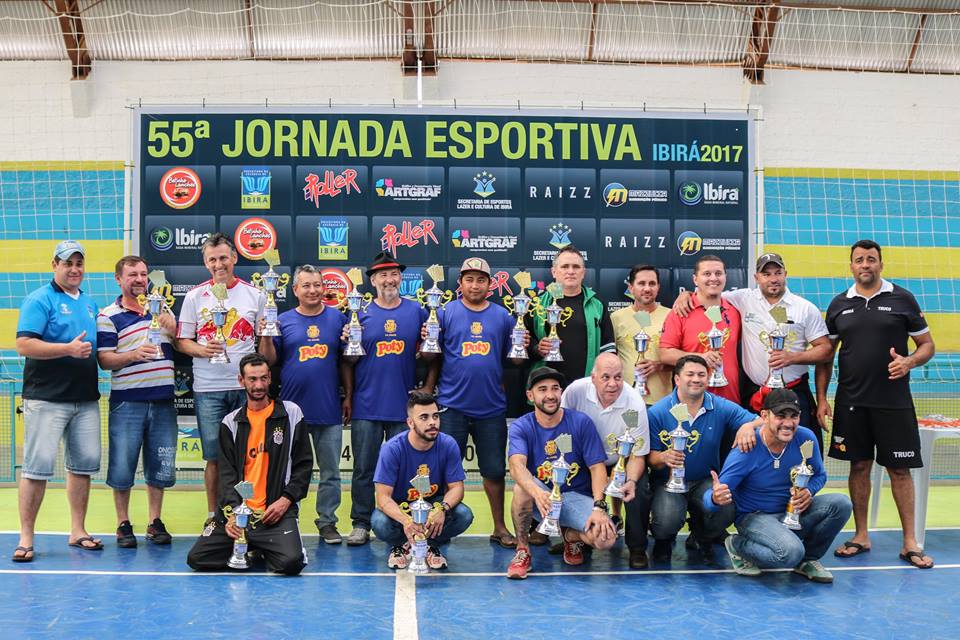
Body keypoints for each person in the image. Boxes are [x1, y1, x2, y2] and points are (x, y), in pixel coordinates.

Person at [816, 239, 935, 569]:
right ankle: (861, 534)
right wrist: (822, 398)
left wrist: (909, 362)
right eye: (859, 260)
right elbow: (826, 357)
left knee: (900, 469)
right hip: (851, 403)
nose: (865, 265)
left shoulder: (902, 299)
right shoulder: (840, 304)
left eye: (871, 259)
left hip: (894, 403)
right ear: (851, 266)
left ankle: (910, 541)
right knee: (858, 467)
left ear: (881, 264)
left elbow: (927, 345)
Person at [673, 253, 832, 447]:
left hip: (793, 391)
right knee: (753, 449)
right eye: (766, 274)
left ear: (785, 274)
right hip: (754, 393)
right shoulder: (742, 299)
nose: (773, 279)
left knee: (801, 449)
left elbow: (825, 350)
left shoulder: (805, 308)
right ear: (757, 277)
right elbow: (709, 291)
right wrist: (687, 294)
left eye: (778, 273)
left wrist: (792, 357)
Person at [427, 257, 525, 549]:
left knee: (494, 470)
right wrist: (426, 339)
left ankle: (498, 527)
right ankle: (436, 526)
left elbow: (516, 361)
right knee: (443, 471)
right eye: (469, 279)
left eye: (481, 279)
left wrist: (522, 342)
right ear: (460, 284)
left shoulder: (504, 317)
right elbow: (430, 356)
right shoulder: (445, 313)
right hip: (451, 405)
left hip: (491, 408)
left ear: (490, 285)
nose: (474, 284)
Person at [707, 389, 852, 583]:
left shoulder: (806, 438)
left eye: (794, 416)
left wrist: (809, 491)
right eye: (780, 416)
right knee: (789, 553)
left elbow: (820, 475)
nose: (788, 423)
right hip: (755, 517)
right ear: (764, 416)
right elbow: (713, 495)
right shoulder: (746, 448)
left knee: (841, 503)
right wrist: (714, 498)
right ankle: (737, 544)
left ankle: (808, 560)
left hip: (792, 512)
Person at [13, 241, 101, 562]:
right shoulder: (39, 299)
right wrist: (67, 349)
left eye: (79, 263)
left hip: (85, 400)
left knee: (81, 468)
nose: (75, 269)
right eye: (68, 263)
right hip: (46, 399)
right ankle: (26, 537)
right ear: (55, 265)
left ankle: (78, 530)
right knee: (36, 469)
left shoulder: (90, 303)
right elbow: (24, 344)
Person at [186, 353, 312, 575]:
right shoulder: (230, 423)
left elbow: (304, 466)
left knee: (291, 563)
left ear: (270, 378)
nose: (258, 385)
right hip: (240, 513)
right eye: (252, 379)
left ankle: (258, 545)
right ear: (241, 381)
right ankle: (251, 544)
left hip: (274, 513)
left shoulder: (291, 414)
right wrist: (233, 513)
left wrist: (286, 500)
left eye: (263, 378)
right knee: (197, 558)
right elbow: (227, 476)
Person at [175, 233, 265, 526]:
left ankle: (247, 510)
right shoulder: (193, 296)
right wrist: (202, 349)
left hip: (247, 389)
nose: (218, 265)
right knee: (213, 457)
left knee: (251, 455)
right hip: (208, 389)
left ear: (234, 258)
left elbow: (264, 341)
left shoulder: (256, 295)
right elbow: (181, 341)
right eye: (212, 259)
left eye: (223, 258)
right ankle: (214, 515)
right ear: (205, 262)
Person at [343, 250, 431, 546]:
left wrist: (427, 390)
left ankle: (405, 523)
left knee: (405, 469)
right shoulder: (359, 313)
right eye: (383, 274)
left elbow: (432, 354)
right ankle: (360, 522)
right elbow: (348, 362)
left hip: (403, 407)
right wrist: (349, 343)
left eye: (394, 274)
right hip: (367, 406)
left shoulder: (417, 311)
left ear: (400, 278)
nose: (389, 279)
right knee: (364, 468)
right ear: (373, 280)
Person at [259, 264, 349, 544]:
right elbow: (269, 360)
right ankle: (285, 519)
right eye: (306, 285)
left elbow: (347, 362)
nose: (312, 290)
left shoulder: (339, 319)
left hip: (329, 408)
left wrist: (349, 396)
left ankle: (327, 522)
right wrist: (265, 333)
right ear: (295, 290)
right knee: (284, 471)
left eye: (317, 285)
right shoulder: (282, 320)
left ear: (324, 288)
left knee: (331, 472)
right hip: (291, 412)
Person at [506, 367, 618, 579]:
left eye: (555, 388)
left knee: (606, 539)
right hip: (543, 498)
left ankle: (571, 536)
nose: (550, 395)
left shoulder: (581, 422)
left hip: (576, 497)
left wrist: (599, 506)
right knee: (522, 487)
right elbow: (516, 466)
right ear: (530, 396)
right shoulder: (521, 426)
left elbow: (597, 467)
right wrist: (537, 493)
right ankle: (522, 550)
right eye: (542, 389)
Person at [646, 355, 760, 564]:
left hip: (704, 480)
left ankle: (701, 536)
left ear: (708, 379)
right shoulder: (657, 412)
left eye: (701, 375)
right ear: (677, 379)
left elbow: (761, 420)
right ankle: (663, 541)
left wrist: (748, 426)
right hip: (667, 482)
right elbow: (651, 459)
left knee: (726, 506)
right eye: (690, 374)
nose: (696, 379)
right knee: (667, 519)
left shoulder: (720, 406)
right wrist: (664, 456)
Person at [97, 256, 177, 548]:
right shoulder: (108, 315)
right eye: (132, 274)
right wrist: (133, 355)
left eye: (143, 274)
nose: (139, 279)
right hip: (127, 402)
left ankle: (155, 522)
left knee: (160, 466)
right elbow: (105, 360)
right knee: (122, 466)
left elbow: (179, 342)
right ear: (119, 279)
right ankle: (123, 523)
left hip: (163, 401)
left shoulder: (162, 308)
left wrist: (172, 325)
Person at [560, 352, 651, 568]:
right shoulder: (575, 392)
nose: (613, 384)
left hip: (621, 459)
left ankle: (637, 548)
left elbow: (638, 454)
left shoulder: (635, 403)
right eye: (606, 377)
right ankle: (572, 537)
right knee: (564, 482)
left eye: (618, 377)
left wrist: (630, 480)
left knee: (639, 490)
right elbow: (561, 426)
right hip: (585, 460)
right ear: (593, 378)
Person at [372, 391, 474, 570]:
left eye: (435, 416)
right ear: (410, 423)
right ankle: (401, 544)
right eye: (424, 417)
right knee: (379, 522)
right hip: (401, 509)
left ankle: (430, 545)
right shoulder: (392, 449)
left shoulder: (448, 444)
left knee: (464, 515)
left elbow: (457, 488)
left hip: (433, 508)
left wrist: (442, 508)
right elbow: (382, 498)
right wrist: (406, 521)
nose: (432, 422)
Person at [659, 254, 742, 404]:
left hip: (730, 401)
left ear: (725, 276)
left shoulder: (734, 311)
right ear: (695, 279)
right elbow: (665, 354)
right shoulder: (680, 311)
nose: (713, 278)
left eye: (718, 273)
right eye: (706, 274)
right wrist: (700, 358)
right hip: (692, 401)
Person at [528, 245, 615, 383]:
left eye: (576, 267)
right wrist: (536, 348)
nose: (570, 271)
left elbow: (608, 347)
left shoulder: (598, 306)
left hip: (586, 386)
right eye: (564, 266)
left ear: (583, 272)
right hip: (547, 388)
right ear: (554, 272)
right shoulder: (536, 303)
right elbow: (524, 341)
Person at [610, 264, 672, 403]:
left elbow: (682, 361)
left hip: (661, 402)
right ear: (631, 288)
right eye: (641, 283)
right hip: (624, 400)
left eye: (652, 283)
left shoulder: (671, 316)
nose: (647, 288)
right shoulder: (616, 318)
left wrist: (659, 365)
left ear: (658, 287)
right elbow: (608, 359)